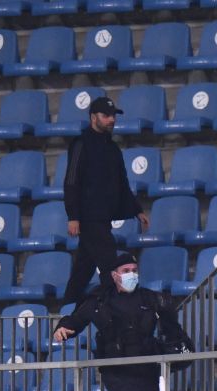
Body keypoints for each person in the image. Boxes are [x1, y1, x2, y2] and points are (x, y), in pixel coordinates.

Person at [53, 251, 180, 391]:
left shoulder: (151, 299)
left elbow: (174, 330)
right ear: (114, 275)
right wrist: (63, 328)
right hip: (118, 375)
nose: (131, 274)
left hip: (148, 372)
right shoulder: (100, 301)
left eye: (134, 270)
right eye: (126, 271)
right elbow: (75, 320)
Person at [61, 96, 149, 307]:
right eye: (106, 115)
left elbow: (122, 183)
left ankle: (66, 311)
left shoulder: (113, 148)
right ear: (93, 117)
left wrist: (137, 209)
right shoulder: (81, 144)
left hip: (103, 217)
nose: (111, 120)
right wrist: (73, 216)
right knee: (111, 264)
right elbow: (71, 181)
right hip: (89, 218)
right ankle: (117, 310)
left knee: (83, 269)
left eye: (113, 116)